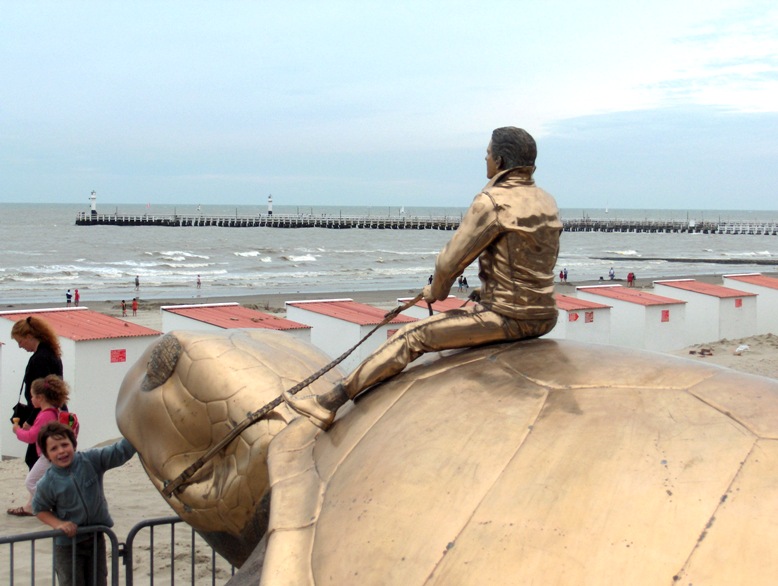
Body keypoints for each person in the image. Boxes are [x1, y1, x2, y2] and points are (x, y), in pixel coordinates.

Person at [285, 126, 561, 429]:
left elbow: (449, 262)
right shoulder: (547, 200)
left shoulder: (492, 200)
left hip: (510, 317)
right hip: (546, 316)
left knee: (410, 337)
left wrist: (437, 291)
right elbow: (530, 263)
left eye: (487, 154)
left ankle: (329, 402)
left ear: (501, 159)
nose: (485, 159)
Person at [33, 422, 136, 586]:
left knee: (99, 581)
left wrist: (138, 432)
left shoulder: (90, 460)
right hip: (68, 546)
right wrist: (59, 524)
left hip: (96, 539)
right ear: (46, 455)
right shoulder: (47, 482)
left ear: (73, 444)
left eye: (64, 444)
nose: (61, 451)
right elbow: (39, 509)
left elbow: (118, 452)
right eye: (53, 449)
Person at [7, 375, 70, 517]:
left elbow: (31, 437)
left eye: (32, 396)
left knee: (31, 482)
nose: (31, 400)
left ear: (40, 398)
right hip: (52, 455)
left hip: (47, 456)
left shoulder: (45, 415)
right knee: (45, 481)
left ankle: (52, 504)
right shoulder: (54, 411)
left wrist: (17, 430)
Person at [10, 316, 64, 469]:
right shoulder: (51, 353)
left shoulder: (40, 358)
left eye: (20, 341)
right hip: (51, 412)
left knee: (35, 460)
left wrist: (30, 419)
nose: (20, 346)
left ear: (29, 336)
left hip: (43, 414)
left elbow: (44, 393)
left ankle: (44, 492)